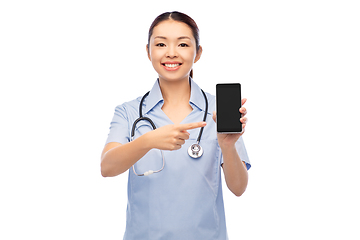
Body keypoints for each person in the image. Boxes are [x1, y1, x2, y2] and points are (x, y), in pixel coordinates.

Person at [101, 11, 251, 240]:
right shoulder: (129, 112)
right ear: (148, 51)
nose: (171, 53)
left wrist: (229, 146)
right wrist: (148, 140)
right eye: (161, 44)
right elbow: (107, 167)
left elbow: (239, 188)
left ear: (198, 53)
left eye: (182, 44)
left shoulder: (217, 111)